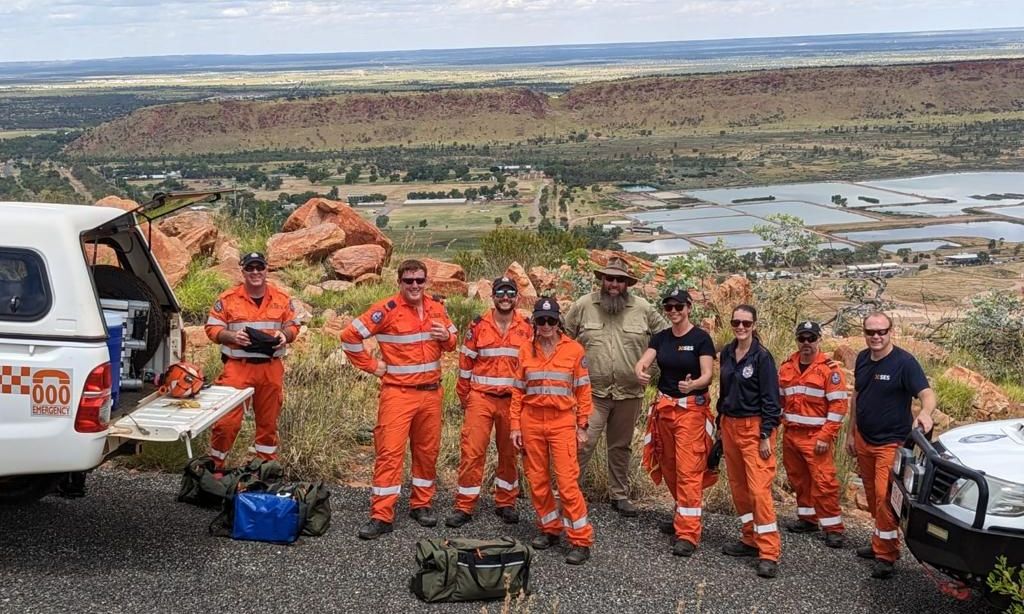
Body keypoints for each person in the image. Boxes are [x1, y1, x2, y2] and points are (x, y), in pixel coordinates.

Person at [341, 259, 457, 540]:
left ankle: (422, 504)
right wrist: (373, 366)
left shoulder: (437, 308)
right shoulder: (387, 310)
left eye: (419, 280)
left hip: (431, 394)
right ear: (400, 283)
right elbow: (349, 336)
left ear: (426, 281)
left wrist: (446, 338)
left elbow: (453, 342)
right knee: (390, 454)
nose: (415, 285)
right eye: (409, 281)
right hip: (398, 394)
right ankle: (382, 515)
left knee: (427, 453)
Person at [564, 256, 668, 516]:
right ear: (602, 280)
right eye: (609, 278)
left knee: (620, 446)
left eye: (619, 280)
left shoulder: (643, 308)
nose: (613, 284)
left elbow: (665, 338)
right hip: (591, 393)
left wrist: (651, 369)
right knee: (582, 443)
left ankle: (618, 495)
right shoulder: (584, 305)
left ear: (626, 284)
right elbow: (563, 338)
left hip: (629, 393)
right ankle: (569, 493)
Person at [846, 312, 935, 580]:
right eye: (870, 332)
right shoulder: (862, 358)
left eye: (881, 331)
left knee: (886, 498)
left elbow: (926, 393)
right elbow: (857, 396)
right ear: (864, 333)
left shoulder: (904, 362)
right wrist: (851, 433)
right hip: (864, 438)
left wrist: (926, 412)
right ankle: (879, 541)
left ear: (890, 331)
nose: (876, 336)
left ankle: (886, 554)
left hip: (891, 443)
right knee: (873, 495)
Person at [511, 297, 594, 565]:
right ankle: (550, 529)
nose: (546, 325)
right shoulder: (525, 350)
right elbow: (517, 391)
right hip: (531, 420)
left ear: (559, 322)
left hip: (561, 422)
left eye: (551, 320)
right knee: (537, 480)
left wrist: (582, 426)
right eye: (541, 320)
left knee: (567, 483)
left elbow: (583, 391)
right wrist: (515, 426)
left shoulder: (574, 350)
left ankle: (580, 540)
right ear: (534, 322)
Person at [635, 287, 716, 557]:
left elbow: (708, 375)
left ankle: (688, 533)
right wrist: (640, 371)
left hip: (691, 411)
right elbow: (644, 361)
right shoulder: (661, 338)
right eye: (668, 308)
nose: (673, 312)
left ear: (689, 307)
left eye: (678, 307)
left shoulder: (701, 339)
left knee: (689, 469)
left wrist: (694, 384)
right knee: (668, 464)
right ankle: (681, 514)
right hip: (665, 409)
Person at [447, 276, 533, 528]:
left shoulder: (527, 328)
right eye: (500, 293)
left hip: (512, 401)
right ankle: (464, 505)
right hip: (481, 398)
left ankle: (506, 502)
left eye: (510, 293)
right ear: (492, 296)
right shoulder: (478, 325)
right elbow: (465, 365)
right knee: (472, 453)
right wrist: (465, 398)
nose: (505, 297)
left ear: (517, 297)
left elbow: (531, 367)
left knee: (509, 453)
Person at [205, 252, 300, 467]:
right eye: (250, 268)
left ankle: (265, 470)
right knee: (226, 423)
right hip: (238, 369)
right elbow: (211, 328)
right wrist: (231, 336)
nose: (255, 272)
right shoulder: (227, 299)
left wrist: (285, 336)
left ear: (267, 269)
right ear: (243, 271)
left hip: (270, 369)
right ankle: (215, 467)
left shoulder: (282, 299)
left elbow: (293, 325)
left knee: (268, 425)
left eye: (259, 267)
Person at [717, 304, 782, 579]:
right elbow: (724, 390)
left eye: (746, 323)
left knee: (759, 491)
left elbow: (771, 399)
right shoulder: (728, 353)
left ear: (754, 325)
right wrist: (719, 424)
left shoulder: (762, 357)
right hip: (729, 424)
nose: (740, 327)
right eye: (736, 322)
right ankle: (749, 538)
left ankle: (769, 552)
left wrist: (766, 433)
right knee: (739, 487)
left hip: (755, 428)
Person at [778, 320, 848, 548]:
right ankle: (807, 518)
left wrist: (825, 436)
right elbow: (778, 400)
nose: (806, 343)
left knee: (824, 482)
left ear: (819, 339)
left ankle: (833, 528)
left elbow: (838, 407)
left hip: (816, 436)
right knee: (799, 479)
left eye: (811, 338)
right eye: (802, 338)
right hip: (791, 434)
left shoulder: (830, 370)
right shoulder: (786, 367)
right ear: (797, 340)